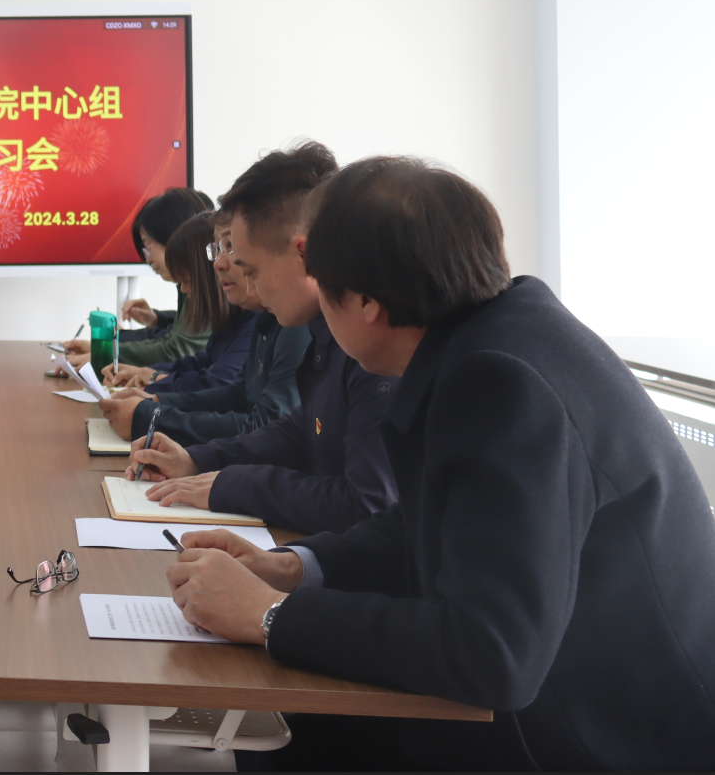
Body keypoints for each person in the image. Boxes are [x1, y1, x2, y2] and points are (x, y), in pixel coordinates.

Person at [163, 157, 715, 770]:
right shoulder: (491, 340)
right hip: (566, 697)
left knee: (296, 730)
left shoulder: (501, 385)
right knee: (294, 724)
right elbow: (427, 521)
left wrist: (268, 614)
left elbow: (492, 654)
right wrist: (292, 568)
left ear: (365, 302)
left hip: (604, 739)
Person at [127, 142, 398, 535]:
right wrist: (197, 460)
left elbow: (365, 505)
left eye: (249, 269)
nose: (247, 285)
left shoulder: (373, 345)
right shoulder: (322, 332)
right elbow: (298, 430)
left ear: (303, 253)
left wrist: (231, 485)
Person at [102, 210, 304, 445]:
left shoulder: (292, 322)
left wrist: (151, 415)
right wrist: (157, 400)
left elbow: (263, 426)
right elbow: (236, 394)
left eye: (230, 246)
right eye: (217, 249)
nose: (218, 263)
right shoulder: (264, 316)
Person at [64, 187, 216, 371]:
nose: (148, 260)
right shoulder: (192, 281)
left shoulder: (208, 284)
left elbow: (178, 349)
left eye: (148, 246)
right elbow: (174, 337)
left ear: (174, 235)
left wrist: (106, 353)